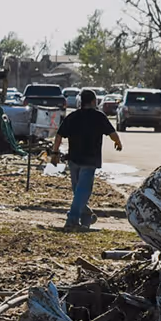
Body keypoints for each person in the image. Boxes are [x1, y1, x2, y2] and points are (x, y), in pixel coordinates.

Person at [51, 88, 123, 231]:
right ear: (94, 101)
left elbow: (59, 136)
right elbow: (112, 133)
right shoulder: (99, 117)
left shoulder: (73, 116)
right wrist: (118, 142)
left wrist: (54, 153)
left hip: (74, 160)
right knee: (82, 191)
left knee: (78, 191)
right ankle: (73, 220)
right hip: (90, 160)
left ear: (81, 102)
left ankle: (84, 216)